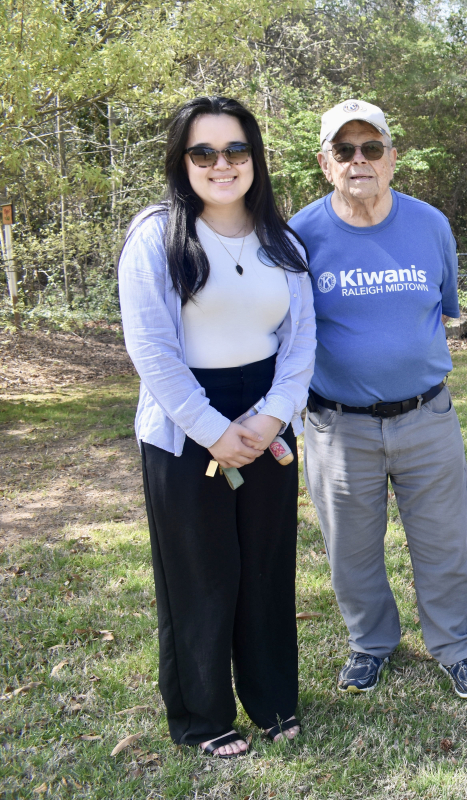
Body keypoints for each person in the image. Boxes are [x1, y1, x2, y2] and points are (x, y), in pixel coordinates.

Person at [118, 96, 316, 757]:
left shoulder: (282, 242)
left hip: (266, 416)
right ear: (181, 161)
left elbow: (300, 342)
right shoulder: (156, 236)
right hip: (184, 425)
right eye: (203, 152)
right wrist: (212, 429)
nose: (221, 164)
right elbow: (152, 350)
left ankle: (273, 700)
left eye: (235, 150)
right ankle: (202, 718)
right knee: (200, 574)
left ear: (255, 157)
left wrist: (273, 415)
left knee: (265, 566)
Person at [290, 99, 467, 699]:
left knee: (445, 543)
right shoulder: (299, 236)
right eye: (345, 150)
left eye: (371, 148)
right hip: (338, 425)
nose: (360, 160)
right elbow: (289, 329)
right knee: (351, 551)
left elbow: (444, 308)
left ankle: (455, 647)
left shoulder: (430, 224)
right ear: (325, 163)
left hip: (427, 416)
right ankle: (370, 644)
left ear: (391, 158)